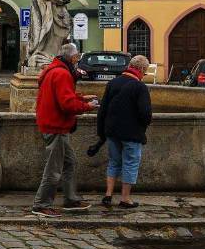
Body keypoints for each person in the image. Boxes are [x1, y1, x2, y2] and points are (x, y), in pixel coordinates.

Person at [32, 43, 99, 218]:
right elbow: (66, 104)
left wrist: (81, 97)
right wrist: (88, 106)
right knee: (53, 169)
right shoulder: (62, 74)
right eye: (77, 57)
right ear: (71, 57)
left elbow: (61, 96)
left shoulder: (54, 70)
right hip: (56, 126)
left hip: (53, 124)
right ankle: (41, 205)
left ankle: (70, 199)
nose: (78, 61)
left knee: (70, 162)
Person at [96, 55, 153, 209]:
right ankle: (125, 198)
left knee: (114, 161)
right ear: (141, 70)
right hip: (131, 133)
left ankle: (108, 195)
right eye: (145, 72)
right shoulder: (139, 86)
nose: (144, 75)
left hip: (112, 131)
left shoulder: (113, 83)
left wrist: (101, 132)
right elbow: (145, 113)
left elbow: (103, 109)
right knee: (130, 163)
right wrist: (143, 126)